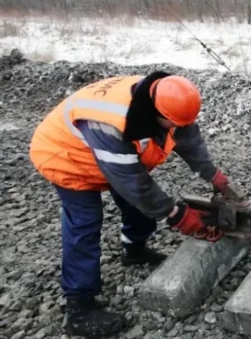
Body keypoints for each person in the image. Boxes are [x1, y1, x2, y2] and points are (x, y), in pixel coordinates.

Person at [28, 71, 238, 337]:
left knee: (139, 204)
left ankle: (134, 251)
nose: (175, 128)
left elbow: (186, 137)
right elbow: (133, 182)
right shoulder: (110, 122)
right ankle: (79, 305)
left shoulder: (161, 97)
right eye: (170, 123)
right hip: (66, 156)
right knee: (85, 223)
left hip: (108, 155)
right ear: (153, 112)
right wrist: (177, 215)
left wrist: (214, 175)